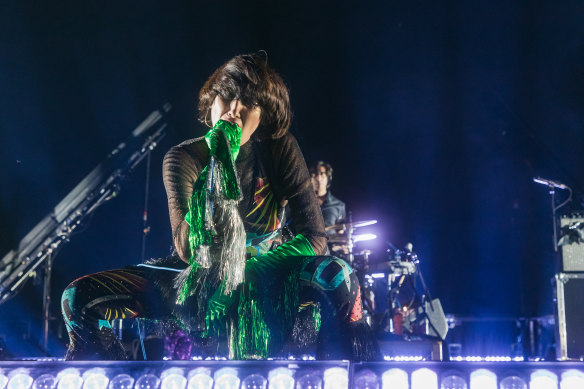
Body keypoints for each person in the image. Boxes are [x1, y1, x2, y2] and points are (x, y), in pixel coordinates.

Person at [60, 53, 378, 361]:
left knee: (342, 278)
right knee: (76, 299)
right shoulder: (182, 157)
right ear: (212, 101)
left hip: (269, 270)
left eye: (248, 102)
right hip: (198, 279)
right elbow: (186, 249)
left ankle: (348, 376)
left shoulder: (280, 148)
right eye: (226, 96)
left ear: (262, 115)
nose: (233, 110)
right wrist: (217, 163)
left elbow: (314, 237)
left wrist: (251, 272)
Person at [310, 161, 346, 228]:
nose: (318, 178)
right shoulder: (302, 201)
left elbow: (340, 232)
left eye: (322, 174)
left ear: (328, 178)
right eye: (314, 174)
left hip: (331, 238)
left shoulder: (339, 206)